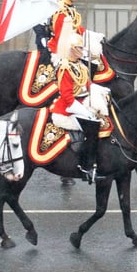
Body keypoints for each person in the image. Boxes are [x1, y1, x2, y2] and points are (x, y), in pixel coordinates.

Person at [50, 31, 101, 183]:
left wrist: (103, 94)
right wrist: (87, 113)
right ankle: (86, 167)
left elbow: (88, 86)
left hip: (79, 103)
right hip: (66, 110)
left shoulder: (80, 66)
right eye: (79, 48)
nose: (82, 51)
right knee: (92, 127)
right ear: (71, 49)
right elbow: (67, 97)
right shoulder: (65, 68)